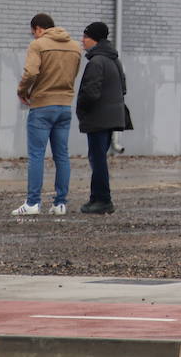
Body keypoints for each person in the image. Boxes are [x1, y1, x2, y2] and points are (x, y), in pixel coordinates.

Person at [13, 13, 82, 216]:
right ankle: (60, 204)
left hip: (42, 106)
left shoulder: (38, 45)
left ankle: (33, 203)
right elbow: (74, 73)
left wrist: (22, 91)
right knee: (61, 156)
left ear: (38, 29)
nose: (34, 36)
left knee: (36, 155)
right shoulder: (75, 46)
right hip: (65, 106)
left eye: (33, 32)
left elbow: (32, 72)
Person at [76, 21, 128, 215]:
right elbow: (123, 88)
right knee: (98, 158)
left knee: (97, 160)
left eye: (85, 37)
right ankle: (96, 198)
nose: (82, 41)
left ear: (95, 40)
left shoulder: (97, 62)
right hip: (111, 117)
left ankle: (103, 200)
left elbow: (90, 93)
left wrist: (81, 109)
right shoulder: (114, 59)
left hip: (99, 118)